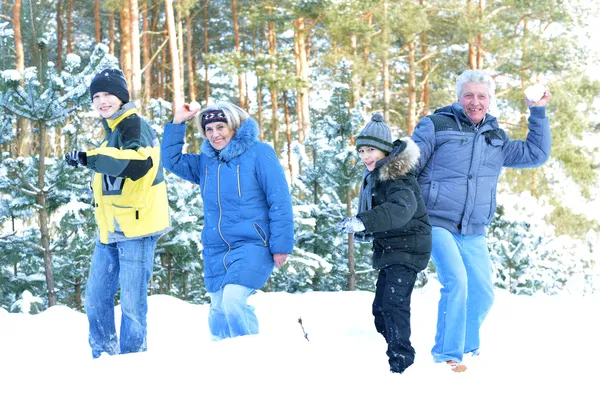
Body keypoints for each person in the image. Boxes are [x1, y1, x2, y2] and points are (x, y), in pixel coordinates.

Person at [412, 70, 551, 371]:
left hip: (473, 228)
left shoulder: (496, 138)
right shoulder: (436, 125)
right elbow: (409, 165)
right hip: (435, 220)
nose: (475, 102)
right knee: (457, 281)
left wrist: (537, 111)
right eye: (469, 95)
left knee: (483, 293)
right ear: (459, 97)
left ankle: (465, 347)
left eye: (482, 96)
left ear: (490, 101)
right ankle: (447, 356)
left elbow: (536, 153)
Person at [161, 101, 294, 340]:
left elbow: (279, 200)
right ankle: (223, 365)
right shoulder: (206, 162)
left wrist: (281, 245)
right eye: (209, 129)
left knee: (233, 301)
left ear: (234, 126)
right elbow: (172, 161)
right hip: (216, 249)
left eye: (220, 126)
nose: (215, 134)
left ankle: (250, 355)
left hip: (253, 243)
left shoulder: (259, 153)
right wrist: (178, 122)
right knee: (218, 311)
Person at [65, 68, 171, 358]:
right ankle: (103, 357)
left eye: (108, 94)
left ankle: (132, 363)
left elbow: (139, 164)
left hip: (137, 229)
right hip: (110, 229)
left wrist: (91, 158)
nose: (101, 101)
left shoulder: (133, 127)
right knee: (96, 298)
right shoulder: (111, 132)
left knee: (132, 305)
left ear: (122, 97)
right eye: (96, 96)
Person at [337, 114, 432, 374]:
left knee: (393, 305)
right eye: (362, 150)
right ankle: (389, 347)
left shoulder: (398, 178)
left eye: (372, 150)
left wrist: (363, 221)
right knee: (380, 309)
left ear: (386, 150)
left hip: (408, 248)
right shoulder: (377, 177)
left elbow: (400, 210)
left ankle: (402, 364)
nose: (366, 156)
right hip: (392, 250)